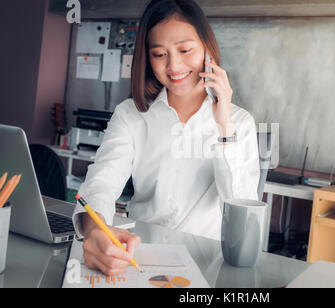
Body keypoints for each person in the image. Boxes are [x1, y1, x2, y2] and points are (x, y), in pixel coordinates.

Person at [72, 0, 260, 276]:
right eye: (159, 54)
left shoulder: (239, 122)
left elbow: (241, 211)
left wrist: (224, 126)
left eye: (185, 50)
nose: (174, 65)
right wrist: (93, 230)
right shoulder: (131, 114)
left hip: (208, 267)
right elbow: (101, 182)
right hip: (140, 259)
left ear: (208, 49)